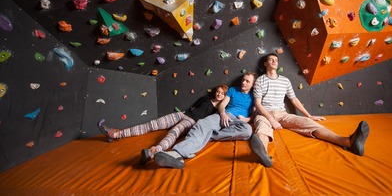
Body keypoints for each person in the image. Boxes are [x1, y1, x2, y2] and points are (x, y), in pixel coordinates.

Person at [252, 53, 370, 167]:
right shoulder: (260, 80)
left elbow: (294, 99)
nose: (274, 62)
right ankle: (264, 154)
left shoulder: (285, 81)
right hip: (264, 114)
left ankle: (348, 142)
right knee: (262, 128)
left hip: (282, 114)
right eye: (271, 59)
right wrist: (271, 119)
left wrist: (308, 115)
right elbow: (258, 104)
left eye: (276, 60)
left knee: (309, 123)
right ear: (265, 63)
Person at [153, 71, 271, 169]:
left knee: (248, 131)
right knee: (202, 124)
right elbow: (222, 105)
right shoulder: (233, 90)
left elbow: (255, 113)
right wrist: (223, 114)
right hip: (224, 115)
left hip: (239, 121)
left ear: (253, 84)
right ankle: (176, 154)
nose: (243, 82)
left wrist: (247, 119)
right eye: (243, 79)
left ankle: (208, 135)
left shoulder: (254, 96)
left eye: (247, 81)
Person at [98, 84, 229, 163]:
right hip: (182, 114)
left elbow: (207, 123)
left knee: (173, 132)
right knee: (152, 124)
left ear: (224, 96)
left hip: (191, 122)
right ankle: (116, 134)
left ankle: (154, 151)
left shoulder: (218, 110)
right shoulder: (206, 98)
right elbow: (194, 107)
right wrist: (184, 113)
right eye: (218, 91)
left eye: (222, 93)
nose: (218, 94)